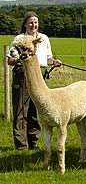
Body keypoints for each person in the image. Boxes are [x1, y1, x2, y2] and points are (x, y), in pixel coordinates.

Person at [7, 11, 62, 150]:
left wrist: (54, 61)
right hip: (23, 74)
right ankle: (21, 144)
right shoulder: (19, 40)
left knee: (37, 109)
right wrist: (21, 59)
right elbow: (10, 60)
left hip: (40, 74)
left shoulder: (43, 39)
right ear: (25, 24)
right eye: (30, 22)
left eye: (36, 22)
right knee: (21, 110)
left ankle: (34, 141)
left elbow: (47, 58)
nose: (33, 25)